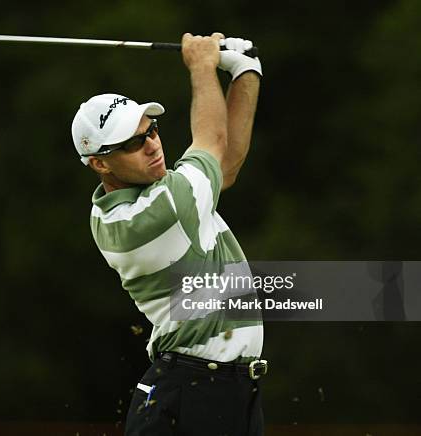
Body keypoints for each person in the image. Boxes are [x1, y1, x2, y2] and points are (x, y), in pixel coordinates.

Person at [71, 32, 265, 435]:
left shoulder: (165, 196)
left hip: (217, 387)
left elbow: (223, 166)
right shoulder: (156, 213)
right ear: (99, 164)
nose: (152, 145)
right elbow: (211, 142)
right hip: (194, 390)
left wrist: (245, 71)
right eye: (133, 143)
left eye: (152, 130)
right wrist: (202, 65)